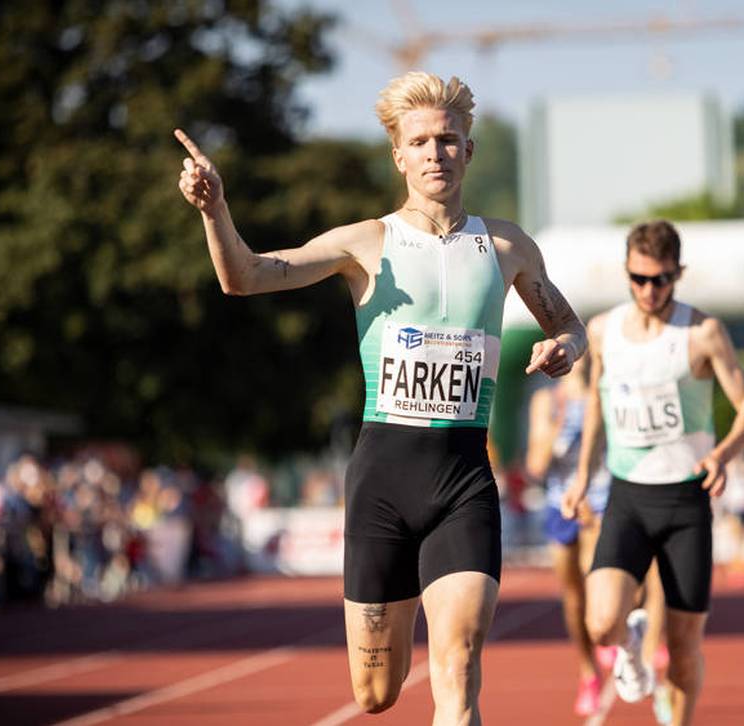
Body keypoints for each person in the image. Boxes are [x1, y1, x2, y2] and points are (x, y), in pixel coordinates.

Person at [175, 70, 587, 723]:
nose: (434, 153)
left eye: (448, 140)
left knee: (458, 669)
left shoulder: (506, 245)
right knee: (376, 693)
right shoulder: (365, 243)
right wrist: (214, 210)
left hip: (464, 481)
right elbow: (245, 277)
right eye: (419, 142)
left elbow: (567, 324)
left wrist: (567, 347)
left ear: (469, 150)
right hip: (383, 486)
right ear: (398, 155)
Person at [563, 220, 744, 725]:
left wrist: (721, 454)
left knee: (683, 646)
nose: (649, 290)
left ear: (679, 274)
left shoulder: (702, 333)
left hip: (685, 504)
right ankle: (630, 644)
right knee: (601, 620)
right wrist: (582, 476)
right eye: (638, 278)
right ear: (626, 273)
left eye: (661, 280)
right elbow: (595, 408)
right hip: (629, 499)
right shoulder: (604, 330)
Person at [524, 355, 612, 716]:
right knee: (572, 596)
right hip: (559, 505)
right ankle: (588, 669)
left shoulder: (604, 396)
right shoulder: (547, 402)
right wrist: (557, 427)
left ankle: (609, 629)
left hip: (601, 499)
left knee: (599, 582)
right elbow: (535, 466)